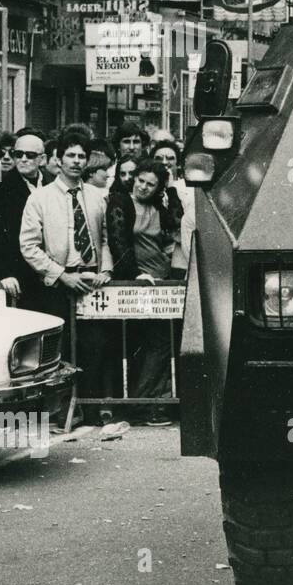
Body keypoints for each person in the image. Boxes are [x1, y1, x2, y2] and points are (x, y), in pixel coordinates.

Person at [19, 130, 114, 400]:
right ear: (58, 160)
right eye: (70, 155)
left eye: (81, 156)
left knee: (94, 345)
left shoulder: (96, 197)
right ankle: (62, 410)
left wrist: (105, 270)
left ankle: (88, 405)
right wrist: (61, 274)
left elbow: (105, 239)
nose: (76, 161)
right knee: (58, 350)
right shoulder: (40, 198)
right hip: (57, 283)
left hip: (89, 282)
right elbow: (28, 246)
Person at [106, 160, 179, 421]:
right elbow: (118, 241)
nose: (143, 187)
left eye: (151, 184)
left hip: (161, 280)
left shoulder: (158, 207)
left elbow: (168, 238)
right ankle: (141, 403)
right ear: (133, 178)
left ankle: (148, 404)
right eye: (141, 180)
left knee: (160, 343)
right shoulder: (120, 202)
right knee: (149, 344)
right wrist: (135, 274)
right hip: (137, 282)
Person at [0, 128, 53, 308]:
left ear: (42, 159)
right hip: (20, 273)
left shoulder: (53, 182)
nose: (23, 159)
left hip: (52, 270)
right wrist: (3, 272)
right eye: (18, 154)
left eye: (30, 155)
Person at [151, 138, 192, 278]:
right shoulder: (145, 188)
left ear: (178, 163)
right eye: (158, 158)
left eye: (170, 158)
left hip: (179, 255)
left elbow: (178, 222)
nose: (164, 162)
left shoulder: (187, 188)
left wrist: (170, 187)